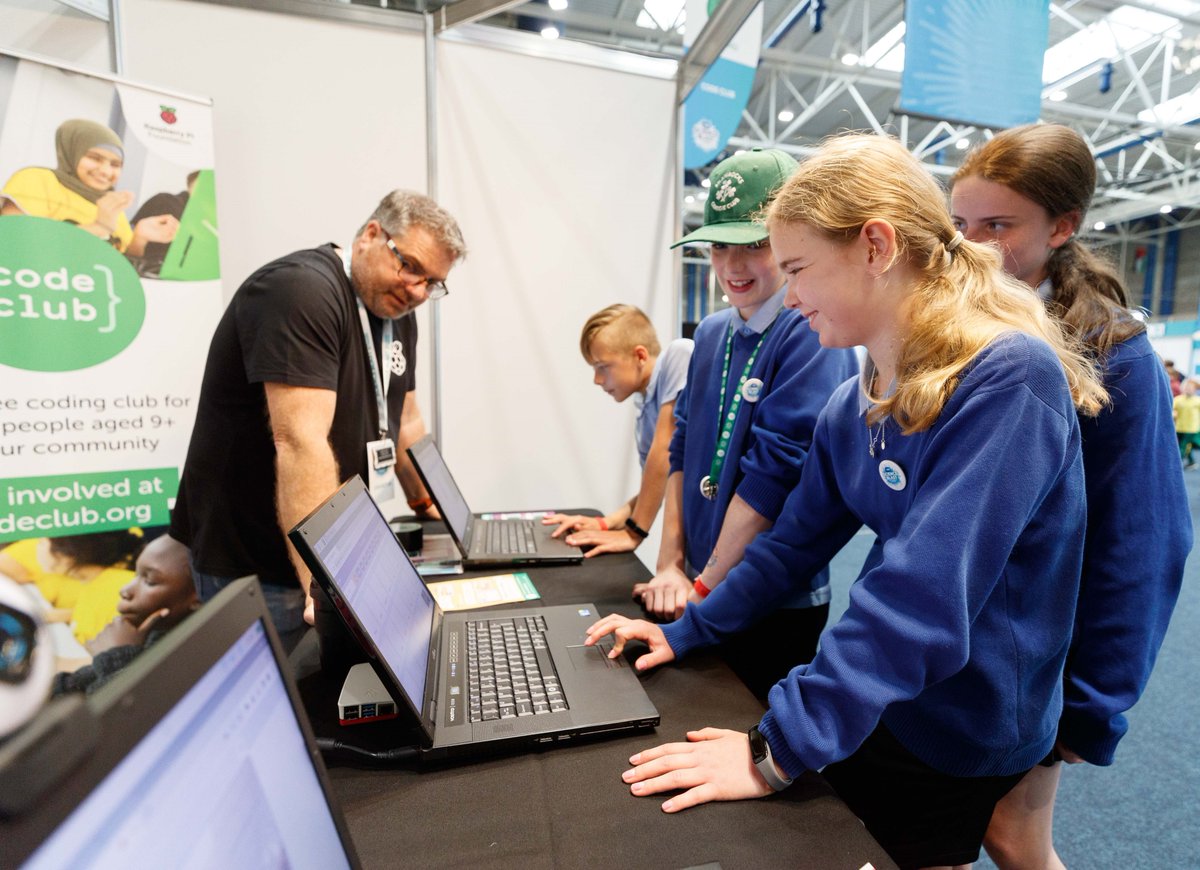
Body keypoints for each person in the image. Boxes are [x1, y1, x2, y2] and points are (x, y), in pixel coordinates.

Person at [584, 133, 1109, 869]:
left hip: (965, 717)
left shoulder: (1007, 380)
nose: (789, 295)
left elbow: (922, 597)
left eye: (797, 268)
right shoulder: (851, 403)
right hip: (891, 693)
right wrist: (691, 629)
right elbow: (790, 547)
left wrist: (776, 753)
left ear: (875, 247)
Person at [951, 123, 1193, 870]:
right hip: (951, 644)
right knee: (950, 831)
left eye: (999, 226)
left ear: (1062, 227)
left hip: (1039, 664)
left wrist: (1092, 704)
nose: (975, 248)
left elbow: (1144, 542)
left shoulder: (1114, 355)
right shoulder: (959, 328)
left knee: (1013, 837)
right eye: (960, 226)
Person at [170, 190, 465, 652]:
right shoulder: (301, 290)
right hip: (258, 559)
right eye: (410, 266)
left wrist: (432, 507)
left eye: (433, 283)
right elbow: (299, 440)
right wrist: (322, 585)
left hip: (326, 548)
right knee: (289, 710)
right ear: (371, 235)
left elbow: (405, 420)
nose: (418, 291)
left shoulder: (395, 309)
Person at [637, 148, 858, 701]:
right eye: (719, 246)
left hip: (771, 600)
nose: (733, 266)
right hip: (702, 582)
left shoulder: (810, 332)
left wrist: (705, 584)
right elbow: (682, 449)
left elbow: (772, 479)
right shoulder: (710, 333)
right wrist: (670, 564)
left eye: (755, 245)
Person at [542, 305, 693, 557]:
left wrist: (633, 532)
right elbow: (660, 483)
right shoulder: (645, 406)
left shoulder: (678, 356)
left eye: (603, 366)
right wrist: (606, 523)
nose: (597, 380)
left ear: (640, 356)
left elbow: (665, 450)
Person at [0, 118, 180, 257]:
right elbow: (13, 241)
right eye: (95, 158)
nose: (105, 171)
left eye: (115, 164)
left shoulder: (111, 206)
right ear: (72, 150)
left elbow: (120, 266)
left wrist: (139, 238)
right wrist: (100, 226)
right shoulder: (37, 179)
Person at [54, 535, 198, 695]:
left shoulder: (189, 662)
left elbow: (126, 711)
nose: (125, 590)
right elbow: (76, 685)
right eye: (136, 575)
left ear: (198, 596)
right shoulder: (155, 638)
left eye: (149, 581)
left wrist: (116, 656)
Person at [0, 530, 143, 644]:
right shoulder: (123, 580)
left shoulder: (91, 612)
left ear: (65, 557)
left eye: (42, 542)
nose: (36, 545)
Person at [1174, 378, 1200, 469]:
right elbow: (1172, 410)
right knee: (1184, 446)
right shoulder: (1178, 399)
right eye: (1187, 387)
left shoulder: (1197, 401)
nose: (1188, 389)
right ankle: (1191, 462)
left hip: (1192, 429)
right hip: (1179, 427)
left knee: (1183, 446)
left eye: (1191, 388)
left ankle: (1177, 463)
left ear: (1195, 389)